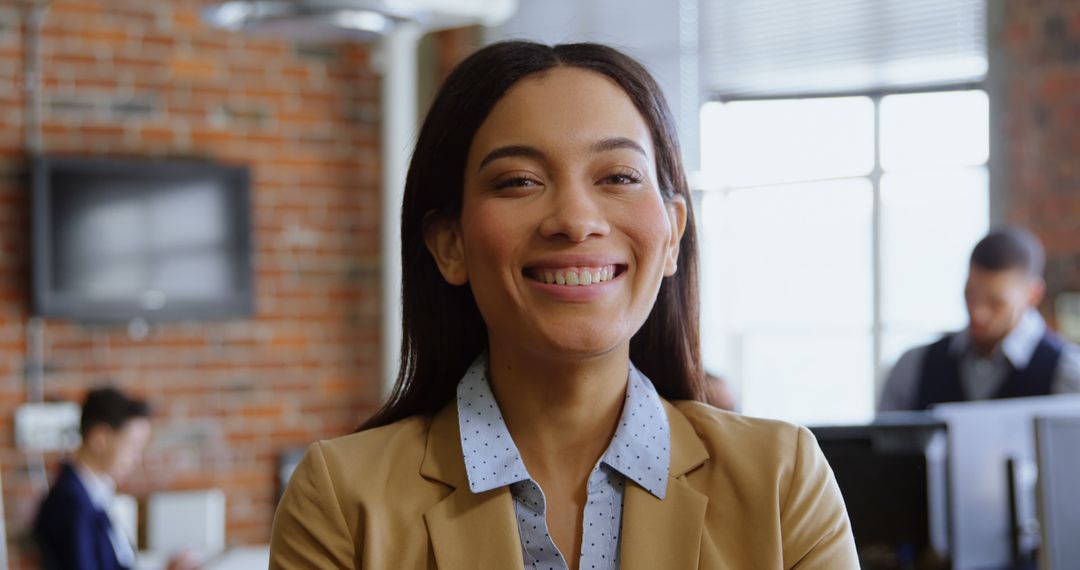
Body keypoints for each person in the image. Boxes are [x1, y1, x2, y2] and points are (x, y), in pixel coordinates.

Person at [270, 41, 857, 569]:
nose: (576, 221)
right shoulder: (342, 501)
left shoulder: (783, 481)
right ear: (450, 245)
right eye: (519, 181)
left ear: (673, 235)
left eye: (619, 176)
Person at [879, 227, 1080, 411]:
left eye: (995, 303)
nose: (978, 313)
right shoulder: (914, 366)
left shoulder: (1069, 374)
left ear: (1033, 295)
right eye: (971, 295)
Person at [33, 387, 196, 570]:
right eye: (132, 446)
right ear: (99, 439)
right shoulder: (70, 503)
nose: (137, 458)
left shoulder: (93, 494)